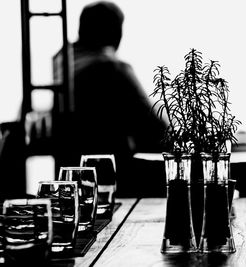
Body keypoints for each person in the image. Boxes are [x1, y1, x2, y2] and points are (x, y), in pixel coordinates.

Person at [53, 1, 167, 197]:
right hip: (115, 180)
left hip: (70, 182)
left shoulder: (60, 62)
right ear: (116, 34)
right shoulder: (111, 68)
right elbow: (156, 130)